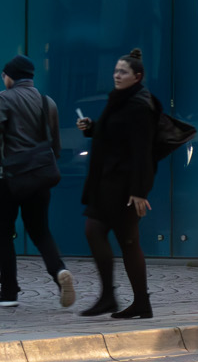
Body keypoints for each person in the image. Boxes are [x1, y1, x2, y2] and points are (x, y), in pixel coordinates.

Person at [76, 48, 160, 319]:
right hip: (109, 182)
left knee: (117, 237)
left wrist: (138, 192)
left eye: (122, 72)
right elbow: (114, 132)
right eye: (115, 71)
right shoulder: (121, 100)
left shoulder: (138, 105)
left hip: (122, 186)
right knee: (118, 239)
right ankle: (129, 300)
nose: (116, 75)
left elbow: (142, 151)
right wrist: (91, 128)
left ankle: (121, 299)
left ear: (137, 76)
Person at [0, 55, 73, 309]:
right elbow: (56, 145)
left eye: (4, 74)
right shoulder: (47, 102)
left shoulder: (4, 99)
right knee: (41, 231)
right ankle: (59, 271)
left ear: (10, 76)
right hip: (41, 177)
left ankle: (9, 292)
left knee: (3, 232)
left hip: (9, 179)